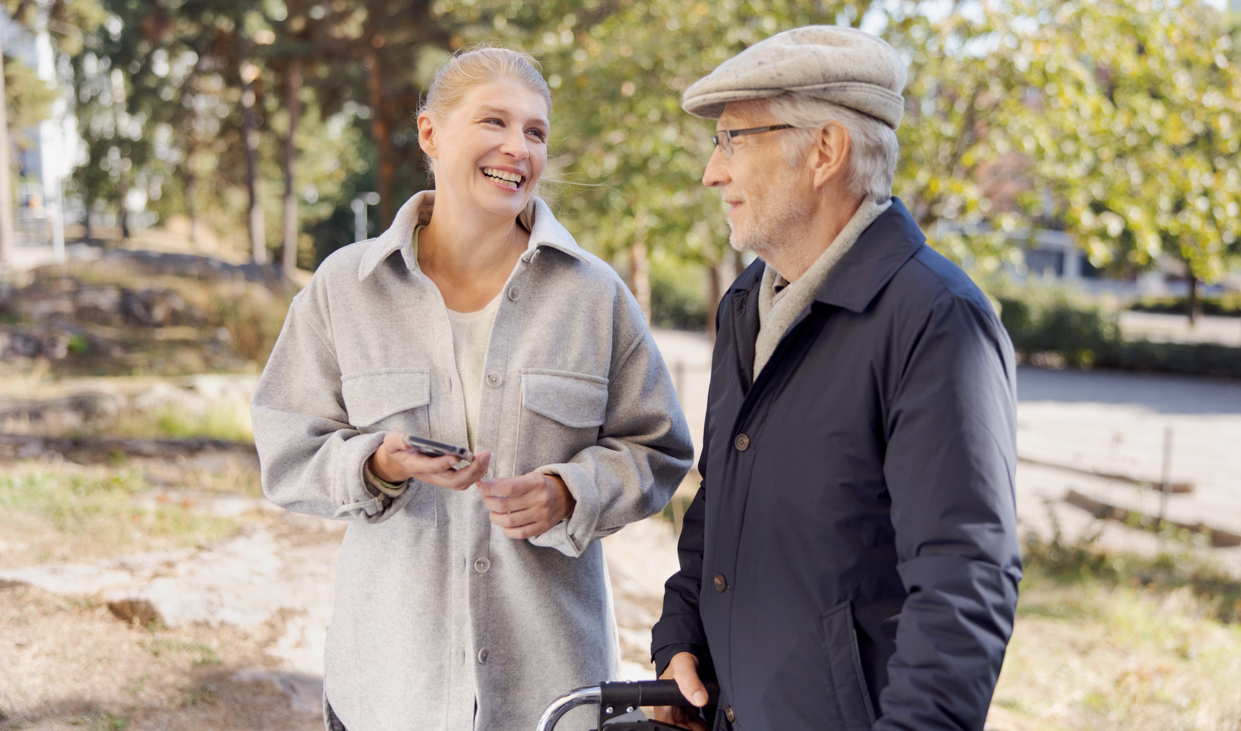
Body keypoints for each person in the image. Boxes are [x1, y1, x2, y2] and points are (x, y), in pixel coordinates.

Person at [252, 46, 693, 731]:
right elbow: (285, 449)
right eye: (494, 122)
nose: (518, 148)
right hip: (388, 688)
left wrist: (571, 490)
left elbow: (659, 448)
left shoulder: (594, 297)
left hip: (551, 692)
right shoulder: (344, 289)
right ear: (430, 133)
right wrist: (375, 464)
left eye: (536, 131)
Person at [649, 27, 1021, 731]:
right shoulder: (746, 308)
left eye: (733, 140)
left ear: (824, 150)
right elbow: (719, 508)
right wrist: (679, 641)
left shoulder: (936, 319)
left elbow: (965, 582)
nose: (712, 172)